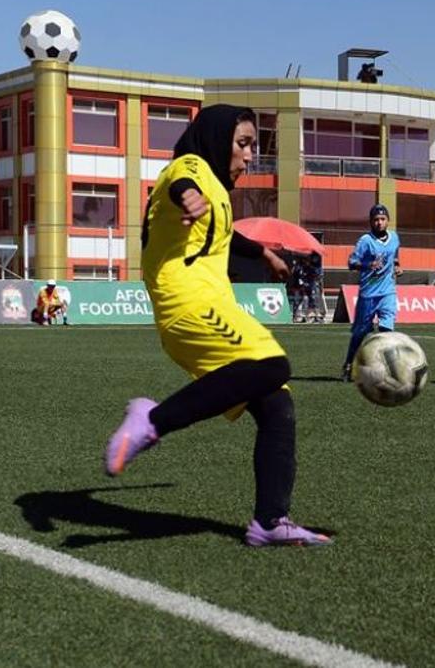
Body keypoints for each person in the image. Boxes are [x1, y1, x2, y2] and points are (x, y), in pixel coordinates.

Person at [105, 105, 329, 547]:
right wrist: (188, 195)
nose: (249, 157)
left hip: (214, 307)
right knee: (273, 365)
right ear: (215, 136)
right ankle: (151, 419)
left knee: (276, 404)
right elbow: (178, 184)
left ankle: (270, 521)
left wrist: (263, 253)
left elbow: (225, 237)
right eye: (243, 144)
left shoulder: (220, 194)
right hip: (188, 306)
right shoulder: (191, 168)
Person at [342, 204, 401, 380]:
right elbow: (351, 263)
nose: (379, 222)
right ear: (371, 222)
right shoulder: (365, 241)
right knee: (360, 332)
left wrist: (397, 266)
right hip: (368, 293)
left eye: (382, 219)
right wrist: (368, 265)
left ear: (388, 221)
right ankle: (349, 363)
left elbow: (395, 254)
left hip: (387, 291)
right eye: (376, 220)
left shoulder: (394, 238)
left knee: (386, 328)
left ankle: (384, 367)